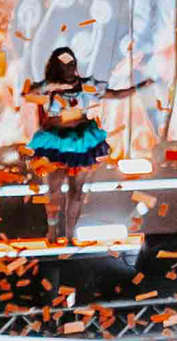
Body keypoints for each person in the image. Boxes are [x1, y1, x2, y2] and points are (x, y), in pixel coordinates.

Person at [25, 47, 113, 241]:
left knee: (76, 192)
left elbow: (113, 94)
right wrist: (55, 87)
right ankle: (52, 231)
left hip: (80, 141)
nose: (69, 68)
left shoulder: (84, 85)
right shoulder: (50, 87)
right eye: (64, 65)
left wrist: (140, 86)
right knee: (54, 189)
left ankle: (71, 235)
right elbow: (29, 94)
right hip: (56, 142)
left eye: (72, 63)